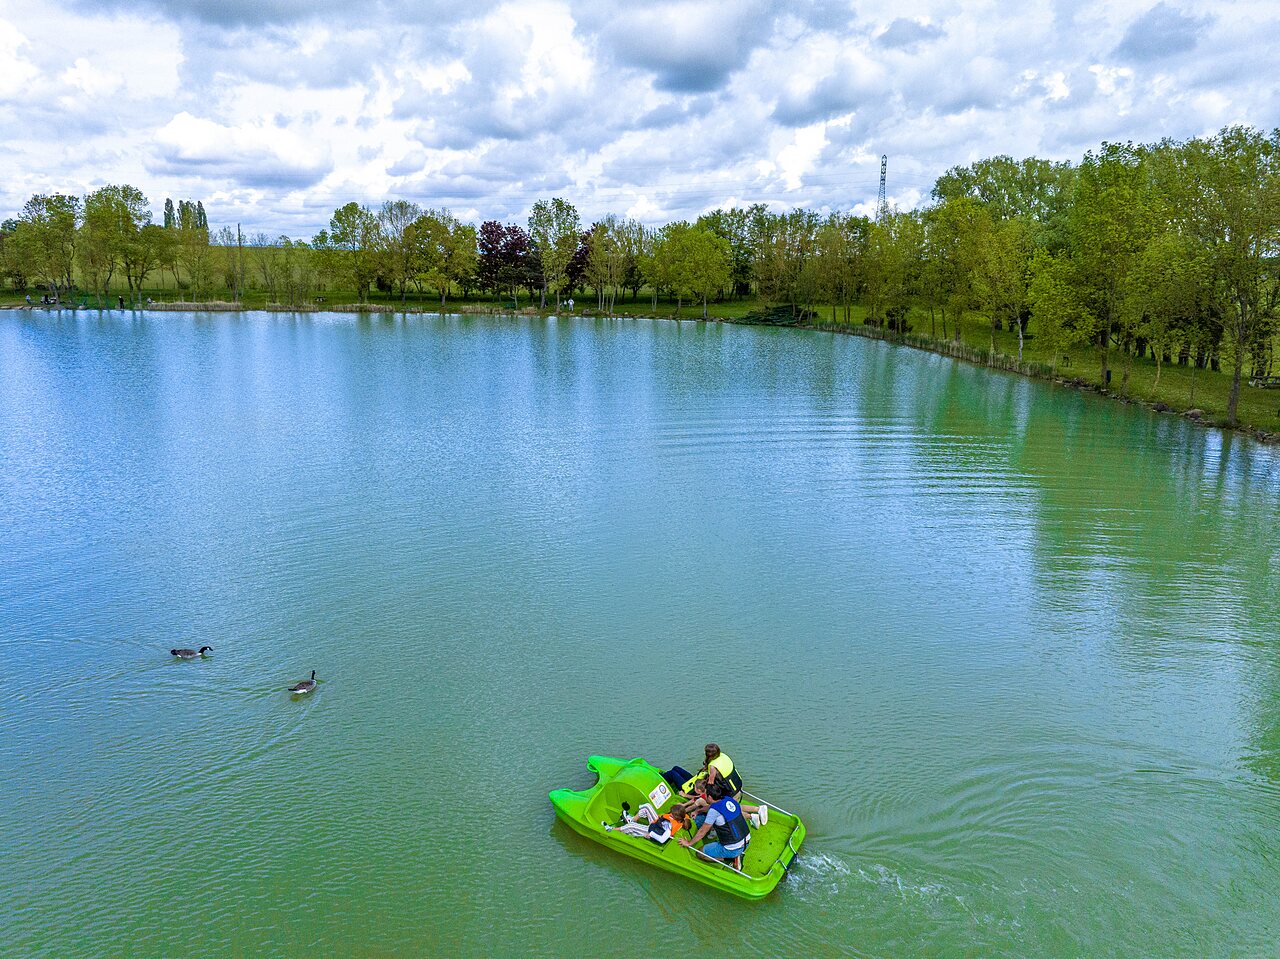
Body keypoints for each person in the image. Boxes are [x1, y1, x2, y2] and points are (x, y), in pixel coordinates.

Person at [680, 779, 751, 870]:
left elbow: (702, 831)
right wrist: (698, 811)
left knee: (700, 853)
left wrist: (689, 843)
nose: (704, 797)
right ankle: (734, 854)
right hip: (746, 840)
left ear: (709, 797)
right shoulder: (728, 799)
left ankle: (731, 859)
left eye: (705, 795)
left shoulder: (714, 811)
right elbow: (711, 806)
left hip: (733, 848)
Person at [604, 802, 689, 844]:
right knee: (647, 806)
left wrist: (650, 834)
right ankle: (632, 820)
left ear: (675, 816)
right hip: (657, 824)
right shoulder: (683, 817)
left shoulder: (670, 827)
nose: (670, 813)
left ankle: (612, 829)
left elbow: (662, 840)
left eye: (672, 813)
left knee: (631, 826)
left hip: (654, 831)